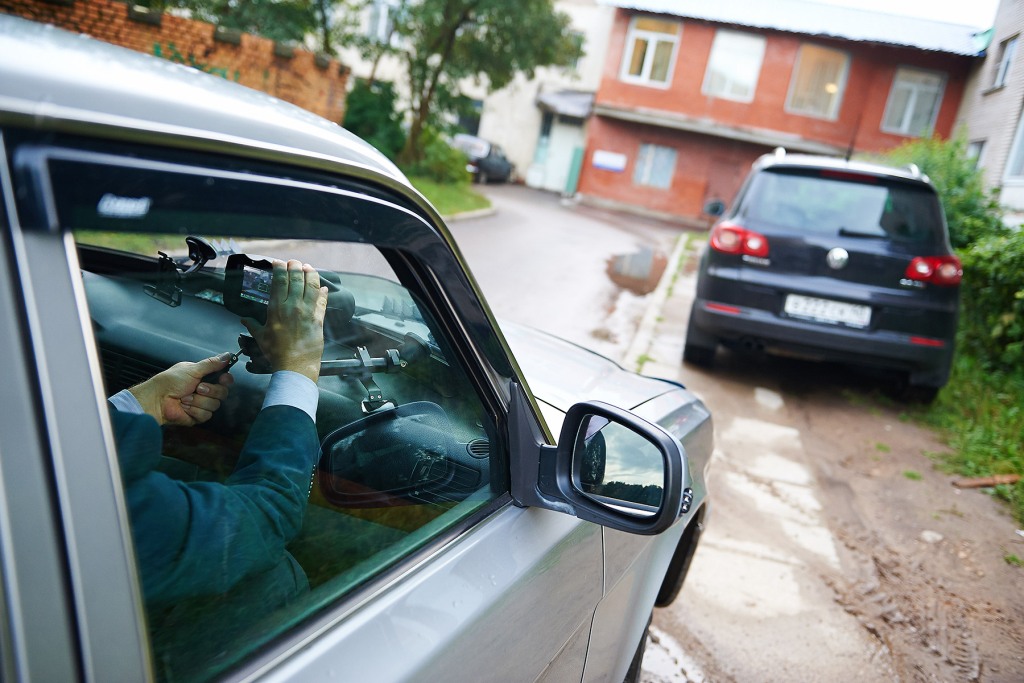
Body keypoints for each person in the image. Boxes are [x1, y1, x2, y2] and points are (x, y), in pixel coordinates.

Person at [107, 259, 329, 606]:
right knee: (276, 578)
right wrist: (299, 368)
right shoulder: (106, 507)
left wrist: (145, 401)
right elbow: (267, 516)